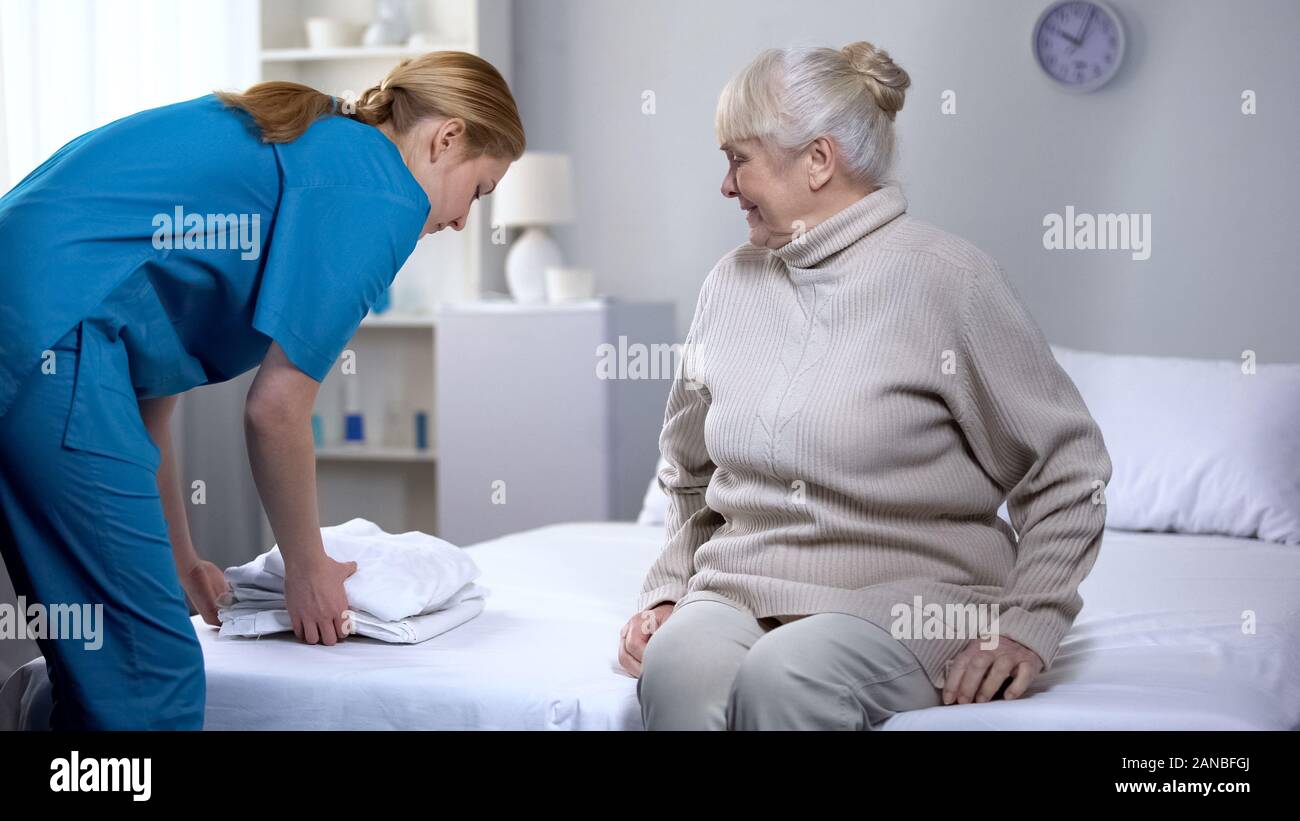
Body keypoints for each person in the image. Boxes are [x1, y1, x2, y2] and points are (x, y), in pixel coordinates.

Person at [0, 51, 525, 730]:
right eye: (479, 192)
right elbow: (276, 408)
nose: (461, 222)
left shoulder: (321, 142)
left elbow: (150, 383)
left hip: (45, 324)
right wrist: (308, 567)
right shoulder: (383, 190)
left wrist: (180, 556)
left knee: (109, 666)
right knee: (152, 681)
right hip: (51, 332)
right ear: (447, 137)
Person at [618, 41, 1112, 730]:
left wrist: (1031, 619)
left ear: (818, 160)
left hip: (906, 601)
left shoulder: (951, 281)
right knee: (674, 667)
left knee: (784, 674)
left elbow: (1069, 467)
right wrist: (669, 590)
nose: (726, 185)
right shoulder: (730, 283)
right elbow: (689, 471)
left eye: (739, 158)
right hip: (736, 590)